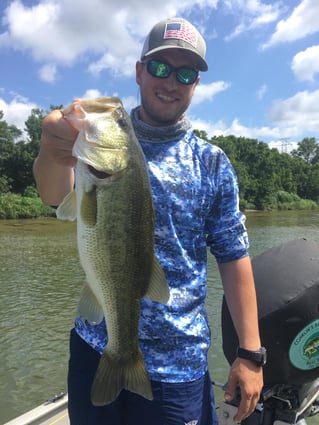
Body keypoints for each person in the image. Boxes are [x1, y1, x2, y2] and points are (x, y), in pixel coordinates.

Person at [33, 17, 264, 425]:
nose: (170, 81)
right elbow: (54, 196)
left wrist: (249, 352)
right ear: (139, 71)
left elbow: (233, 255)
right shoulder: (91, 149)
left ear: (196, 84)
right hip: (94, 345)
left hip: (178, 364)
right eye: (159, 67)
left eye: (185, 73)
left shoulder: (212, 163)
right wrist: (53, 151)